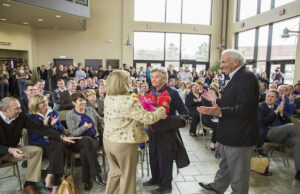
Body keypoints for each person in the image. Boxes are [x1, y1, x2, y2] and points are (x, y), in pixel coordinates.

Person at [197, 49, 259, 194]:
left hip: (240, 134)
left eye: (224, 62)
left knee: (239, 173)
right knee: (225, 164)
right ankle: (218, 186)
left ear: (236, 61)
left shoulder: (246, 77)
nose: (221, 65)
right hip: (230, 132)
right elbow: (232, 101)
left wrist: (220, 111)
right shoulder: (236, 76)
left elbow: (246, 107)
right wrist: (216, 100)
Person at [103, 70, 166, 194]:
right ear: (123, 83)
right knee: (127, 177)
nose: (130, 81)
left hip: (108, 141)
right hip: (124, 144)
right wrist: (161, 109)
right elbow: (149, 119)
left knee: (115, 172)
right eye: (128, 79)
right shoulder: (130, 101)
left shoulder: (108, 98)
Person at [0, 97, 79, 194]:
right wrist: (9, 149)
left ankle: (29, 184)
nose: (20, 110)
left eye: (20, 107)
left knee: (37, 151)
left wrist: (61, 137)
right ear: (5, 110)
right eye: (16, 108)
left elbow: (39, 128)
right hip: (5, 150)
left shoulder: (20, 116)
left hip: (13, 150)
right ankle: (52, 182)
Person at [143, 67, 188, 194]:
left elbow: (184, 112)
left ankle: (166, 186)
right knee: (154, 157)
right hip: (152, 130)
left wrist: (171, 121)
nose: (153, 79)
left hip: (167, 132)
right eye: (152, 77)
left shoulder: (172, 92)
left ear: (164, 78)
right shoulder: (149, 92)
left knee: (165, 159)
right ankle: (155, 179)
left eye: (156, 77)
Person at [66, 91, 106, 191]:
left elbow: (101, 120)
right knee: (86, 141)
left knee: (85, 151)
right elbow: (73, 133)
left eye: (84, 100)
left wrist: (112, 117)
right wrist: (84, 127)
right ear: (74, 102)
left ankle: (86, 180)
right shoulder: (70, 114)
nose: (83, 102)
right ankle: (96, 175)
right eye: (80, 100)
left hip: (93, 140)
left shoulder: (90, 110)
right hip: (77, 142)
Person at [258, 89, 300, 180]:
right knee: (291, 126)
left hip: (280, 133)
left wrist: (281, 113)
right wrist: (276, 112)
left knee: (297, 140)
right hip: (267, 133)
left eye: (272, 97)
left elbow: (287, 121)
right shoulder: (260, 107)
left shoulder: (277, 106)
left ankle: (299, 171)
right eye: (268, 96)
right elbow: (263, 122)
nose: (269, 98)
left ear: (277, 99)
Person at [27, 94, 65, 193]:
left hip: (53, 142)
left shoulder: (53, 112)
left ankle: (49, 176)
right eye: (42, 102)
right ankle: (55, 186)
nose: (46, 103)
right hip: (40, 143)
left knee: (59, 147)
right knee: (58, 153)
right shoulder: (31, 116)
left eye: (46, 101)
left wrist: (52, 126)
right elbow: (33, 136)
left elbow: (60, 130)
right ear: (36, 104)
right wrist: (44, 126)